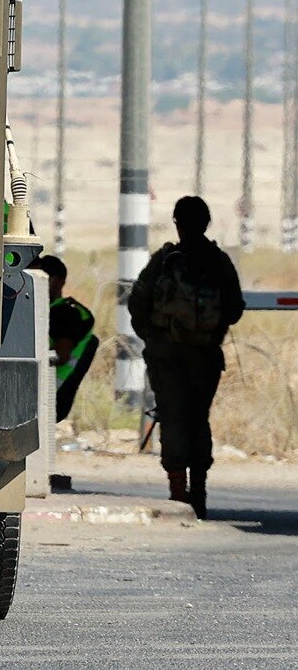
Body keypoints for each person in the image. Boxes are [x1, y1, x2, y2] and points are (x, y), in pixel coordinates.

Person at [128, 195, 245, 519]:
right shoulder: (217, 260)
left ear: (177, 223)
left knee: (174, 417)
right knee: (198, 418)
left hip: (166, 355)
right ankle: (200, 491)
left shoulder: (165, 259)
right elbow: (234, 308)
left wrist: (155, 337)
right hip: (204, 355)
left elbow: (137, 303)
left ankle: (178, 493)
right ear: (206, 224)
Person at [36, 254, 98, 424]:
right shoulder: (46, 310)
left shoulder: (66, 313)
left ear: (58, 282)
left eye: (40, 278)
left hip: (46, 392)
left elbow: (60, 355)